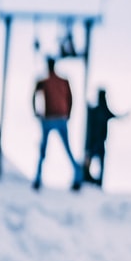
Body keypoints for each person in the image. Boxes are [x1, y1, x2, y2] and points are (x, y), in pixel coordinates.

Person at [32, 57, 82, 191]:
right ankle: (78, 175)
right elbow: (71, 99)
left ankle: (37, 178)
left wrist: (35, 112)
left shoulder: (44, 82)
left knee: (43, 150)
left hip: (49, 119)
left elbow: (33, 96)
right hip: (61, 118)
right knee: (67, 149)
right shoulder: (63, 81)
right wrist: (68, 114)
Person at [83, 88, 118, 187]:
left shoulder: (99, 109)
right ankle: (90, 178)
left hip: (97, 141)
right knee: (96, 161)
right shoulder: (100, 110)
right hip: (97, 141)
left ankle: (95, 179)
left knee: (96, 161)